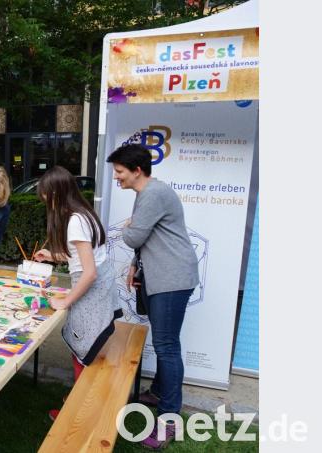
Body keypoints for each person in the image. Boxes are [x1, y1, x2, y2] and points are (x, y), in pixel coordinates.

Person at [106, 143, 199, 450]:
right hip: (160, 274)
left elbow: (134, 235)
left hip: (171, 279)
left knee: (167, 346)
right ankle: (159, 392)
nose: (116, 177)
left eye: (119, 172)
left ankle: (169, 419)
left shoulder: (154, 194)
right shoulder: (146, 194)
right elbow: (144, 241)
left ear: (137, 170)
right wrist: (135, 265)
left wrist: (132, 227)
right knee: (164, 343)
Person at [32, 166, 121, 422]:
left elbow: (89, 273)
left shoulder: (74, 221)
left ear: (57, 193)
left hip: (92, 295)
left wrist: (65, 301)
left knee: (82, 348)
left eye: (46, 195)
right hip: (99, 293)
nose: (45, 201)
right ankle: (79, 402)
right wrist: (52, 255)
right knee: (81, 348)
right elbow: (83, 259)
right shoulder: (84, 213)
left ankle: (80, 412)